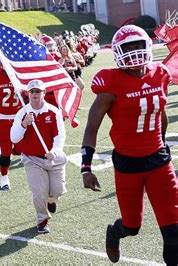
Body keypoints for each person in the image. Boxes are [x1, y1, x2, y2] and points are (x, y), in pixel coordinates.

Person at [80, 25, 177, 264]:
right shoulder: (110, 83)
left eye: (137, 46)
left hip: (158, 160)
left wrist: (162, 142)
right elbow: (92, 126)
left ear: (147, 46)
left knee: (174, 229)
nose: (133, 52)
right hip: (128, 163)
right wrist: (86, 168)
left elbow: (160, 112)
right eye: (128, 47)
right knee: (132, 226)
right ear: (117, 52)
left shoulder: (159, 73)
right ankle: (114, 232)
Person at [10, 79, 67, 234]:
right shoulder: (22, 113)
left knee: (59, 190)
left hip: (53, 157)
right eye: (32, 91)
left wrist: (54, 151)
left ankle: (51, 200)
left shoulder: (53, 111)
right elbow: (14, 138)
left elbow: (60, 135)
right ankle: (42, 219)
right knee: (39, 192)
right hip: (32, 158)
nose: (35, 94)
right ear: (27, 94)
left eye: (38, 91)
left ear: (44, 93)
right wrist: (24, 124)